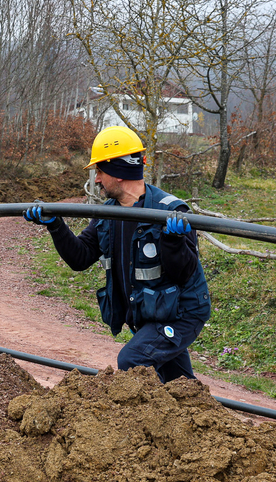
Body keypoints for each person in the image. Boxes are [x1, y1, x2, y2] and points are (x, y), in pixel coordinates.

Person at [23, 125, 210, 383]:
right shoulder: (109, 214)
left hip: (182, 312)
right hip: (153, 314)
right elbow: (80, 258)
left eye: (100, 171)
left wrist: (173, 239)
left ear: (119, 172)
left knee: (133, 361)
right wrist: (55, 224)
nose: (97, 179)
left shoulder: (170, 211)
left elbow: (183, 272)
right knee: (180, 385)